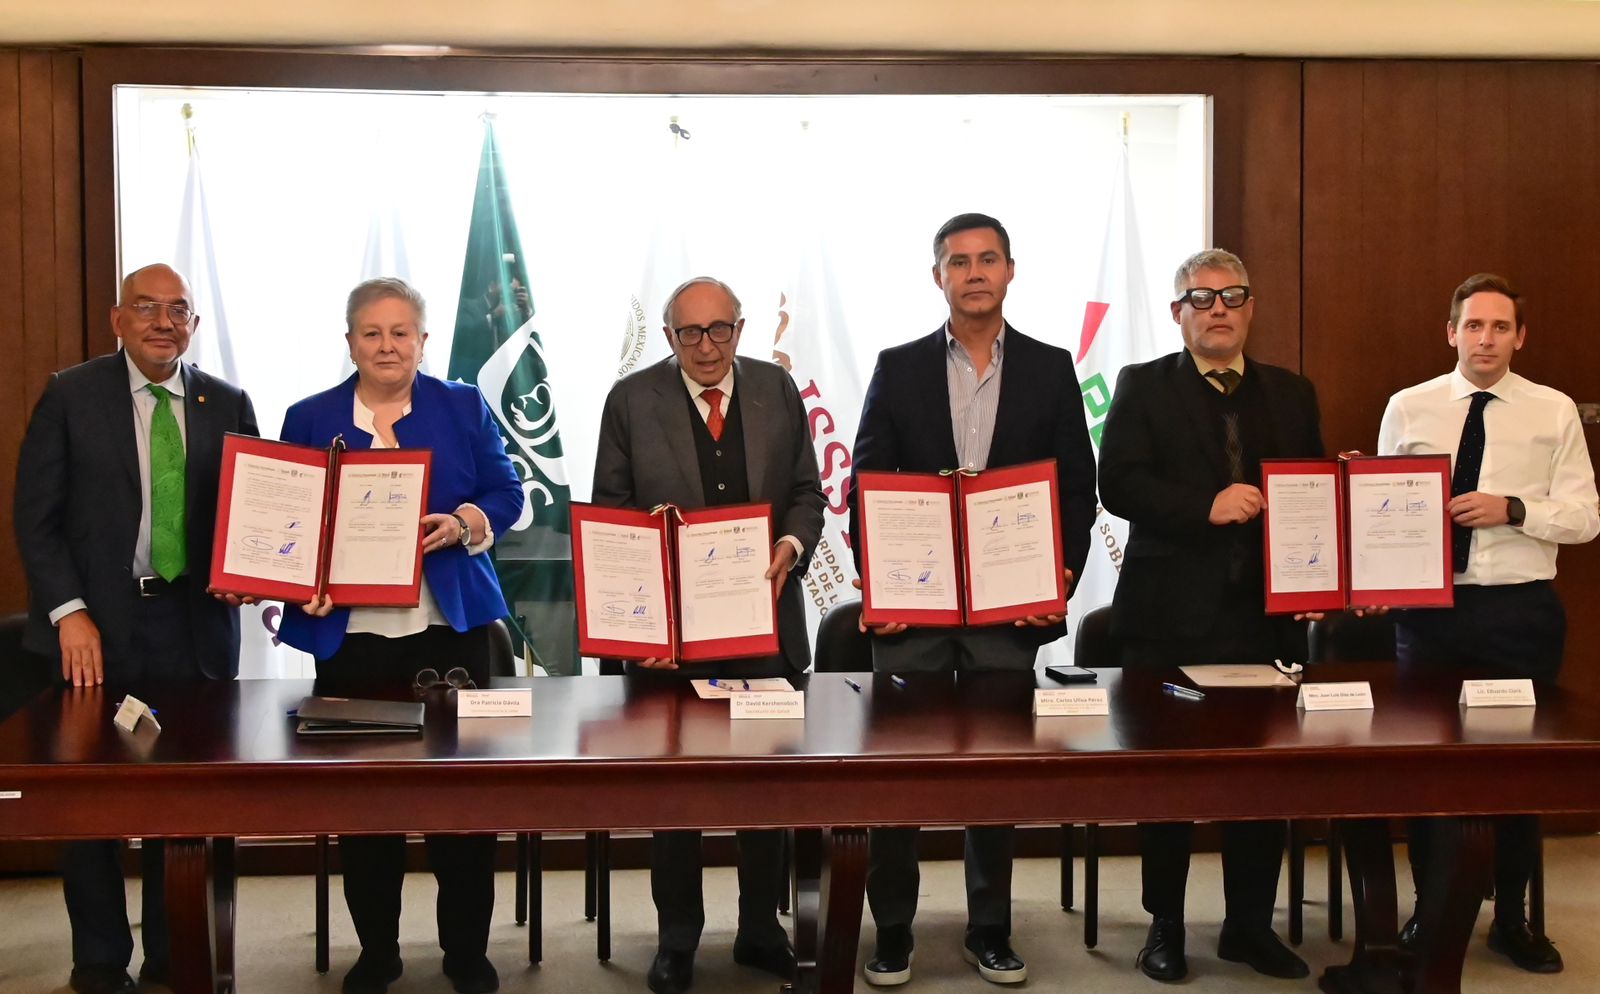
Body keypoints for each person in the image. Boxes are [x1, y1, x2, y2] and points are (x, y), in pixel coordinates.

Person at [847, 213, 1098, 987]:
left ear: (1011, 271)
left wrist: (1058, 582)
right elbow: (866, 485)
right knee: (899, 775)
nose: (975, 272)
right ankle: (893, 930)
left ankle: (990, 929)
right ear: (939, 278)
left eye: (988, 258)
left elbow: (1077, 491)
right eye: (959, 262)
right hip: (913, 611)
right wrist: (878, 587)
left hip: (1008, 610)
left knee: (995, 773)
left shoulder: (1051, 368)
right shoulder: (898, 367)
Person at [13, 263, 258, 994]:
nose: (163, 322)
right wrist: (68, 613)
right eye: (146, 308)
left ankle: (173, 955)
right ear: (117, 320)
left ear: (194, 325)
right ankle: (99, 961)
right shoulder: (71, 395)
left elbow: (254, 511)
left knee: (185, 798)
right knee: (91, 801)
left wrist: (254, 570)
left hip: (195, 627)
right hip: (95, 629)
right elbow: (36, 520)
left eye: (178, 310)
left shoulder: (228, 402)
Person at [277, 277, 523, 994]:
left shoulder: (463, 405)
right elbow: (290, 520)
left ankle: (466, 954)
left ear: (423, 340)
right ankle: (377, 953)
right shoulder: (308, 417)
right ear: (350, 341)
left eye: (401, 332)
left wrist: (466, 522)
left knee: (463, 808)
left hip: (450, 633)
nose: (387, 346)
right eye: (372, 333)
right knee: (367, 807)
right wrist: (301, 577)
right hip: (353, 642)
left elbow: (507, 493)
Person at [591, 275, 825, 994]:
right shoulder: (631, 401)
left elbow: (807, 493)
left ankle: (760, 930)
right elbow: (612, 515)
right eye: (689, 332)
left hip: (764, 625)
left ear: (740, 330)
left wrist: (792, 544)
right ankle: (677, 939)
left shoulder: (776, 389)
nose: (706, 345)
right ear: (668, 337)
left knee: (764, 790)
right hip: (670, 640)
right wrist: (642, 623)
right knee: (677, 796)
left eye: (719, 329)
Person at [1097, 248, 1318, 983]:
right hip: (1167, 619)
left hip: (1265, 620)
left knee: (1261, 780)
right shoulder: (1143, 385)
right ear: (1178, 313)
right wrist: (1206, 506)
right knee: (1169, 782)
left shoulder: (1292, 393)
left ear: (1251, 308)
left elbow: (1311, 492)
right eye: (1201, 298)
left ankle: (1248, 926)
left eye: (1232, 296)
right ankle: (1164, 924)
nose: (1218, 309)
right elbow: (1117, 482)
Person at [1378, 273, 1599, 973]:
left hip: (1517, 612)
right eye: (1473, 325)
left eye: (1501, 327)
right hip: (1430, 614)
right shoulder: (1408, 406)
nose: (1486, 339)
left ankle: (1512, 920)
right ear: (1452, 333)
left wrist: (1514, 509)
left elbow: (1586, 518)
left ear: (1519, 337)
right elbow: (1383, 509)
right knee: (1428, 768)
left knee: (1515, 772)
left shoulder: (1552, 410)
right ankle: (1431, 910)